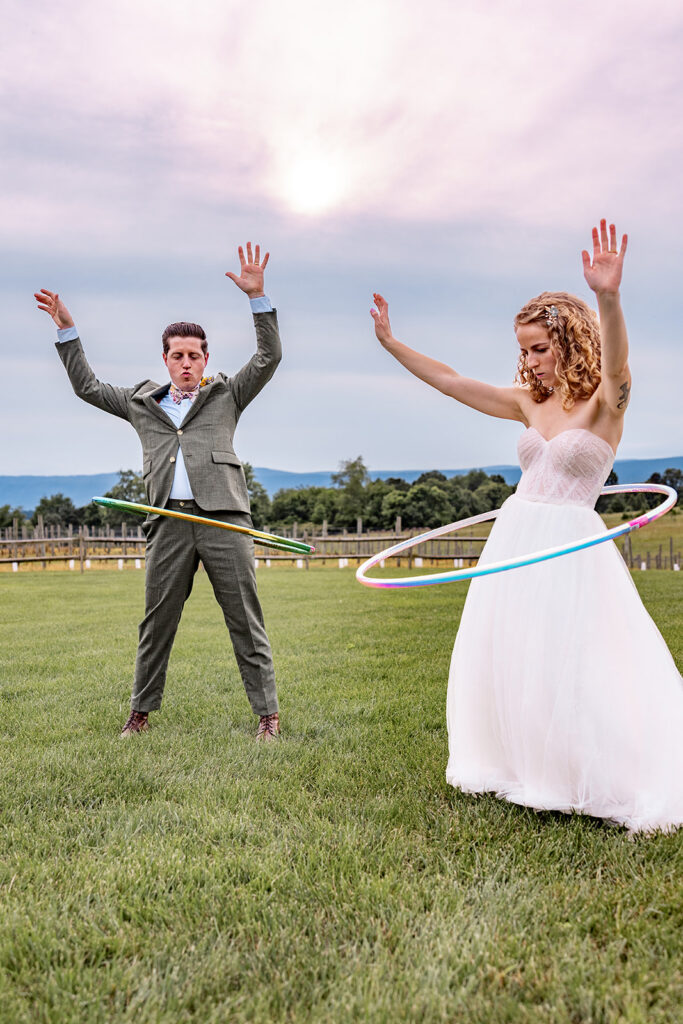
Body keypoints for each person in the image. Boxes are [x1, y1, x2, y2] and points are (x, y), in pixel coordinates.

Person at [371, 220, 683, 833]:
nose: (531, 359)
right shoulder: (525, 401)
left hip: (570, 544)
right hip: (514, 537)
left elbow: (618, 369)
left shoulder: (604, 403)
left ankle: (586, 773)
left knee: (577, 658)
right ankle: (526, 767)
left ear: (569, 341)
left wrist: (608, 297)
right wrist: (392, 344)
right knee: (518, 655)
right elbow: (453, 381)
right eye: (525, 348)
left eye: (541, 346)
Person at [35, 243, 282, 742]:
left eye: (194, 355)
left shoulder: (227, 393)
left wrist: (258, 299)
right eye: (178, 356)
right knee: (156, 624)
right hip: (167, 523)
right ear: (165, 360)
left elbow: (269, 355)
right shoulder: (139, 403)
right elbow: (86, 386)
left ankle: (268, 718)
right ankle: (140, 715)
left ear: (205, 358)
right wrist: (67, 329)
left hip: (225, 520)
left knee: (245, 620)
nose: (186, 363)